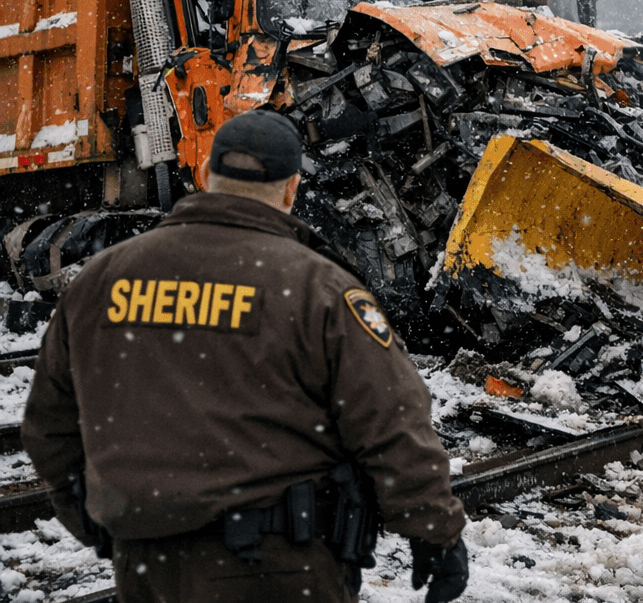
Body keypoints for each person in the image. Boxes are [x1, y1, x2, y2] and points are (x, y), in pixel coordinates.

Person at [21, 109, 470, 603]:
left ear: (207, 175)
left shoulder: (102, 278)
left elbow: (49, 425)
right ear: (291, 188)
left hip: (148, 564)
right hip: (281, 566)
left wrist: (96, 519)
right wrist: (436, 529)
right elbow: (392, 421)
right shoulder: (317, 287)